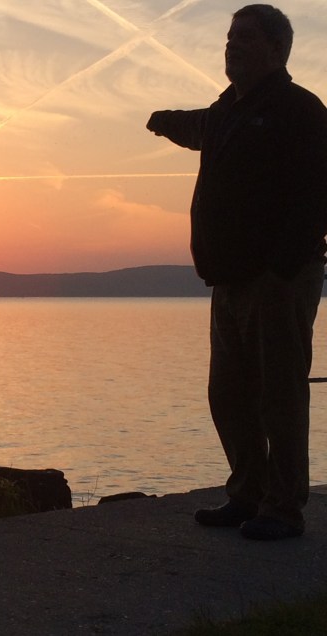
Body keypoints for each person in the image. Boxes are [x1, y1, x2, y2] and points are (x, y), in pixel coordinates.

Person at [146, 4, 327, 540]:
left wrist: (281, 268)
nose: (231, 45)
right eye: (229, 37)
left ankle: (283, 508)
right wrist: (164, 121)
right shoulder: (230, 108)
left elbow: (317, 196)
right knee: (228, 393)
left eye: (244, 37)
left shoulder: (300, 110)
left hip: (279, 279)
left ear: (276, 49)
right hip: (227, 280)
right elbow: (200, 127)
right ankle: (247, 493)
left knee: (280, 393)